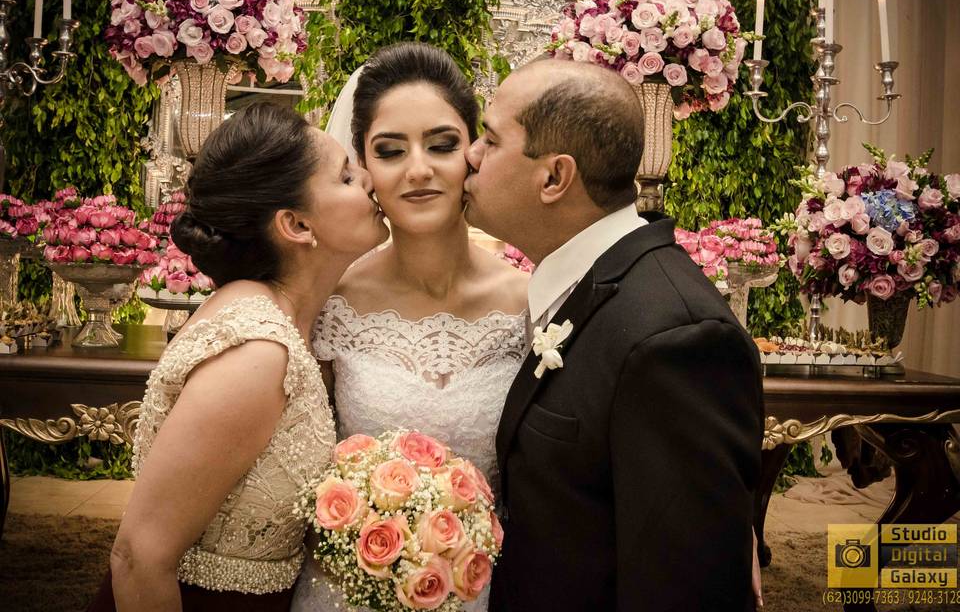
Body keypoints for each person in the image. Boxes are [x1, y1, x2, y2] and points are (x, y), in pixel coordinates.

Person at [463, 59, 764, 611]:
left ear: (554, 177)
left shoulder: (675, 340)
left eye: (489, 138)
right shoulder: (586, 283)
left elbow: (686, 588)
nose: (470, 156)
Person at [88, 103, 388, 612]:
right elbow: (138, 556)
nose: (371, 180)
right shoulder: (256, 353)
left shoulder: (289, 318)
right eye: (346, 176)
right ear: (295, 224)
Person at [290, 42, 528, 612]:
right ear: (364, 167)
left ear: (473, 153)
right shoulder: (332, 301)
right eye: (391, 151)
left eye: (442, 145)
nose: (419, 169)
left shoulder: (531, 303)